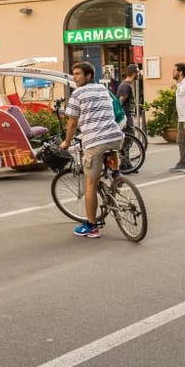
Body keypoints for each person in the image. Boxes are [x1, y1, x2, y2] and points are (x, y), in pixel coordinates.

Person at [59, 61, 127, 239]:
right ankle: (116, 173)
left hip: (95, 141)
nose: (75, 77)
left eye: (78, 74)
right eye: (74, 74)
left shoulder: (77, 94)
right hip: (116, 135)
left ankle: (91, 226)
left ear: (88, 76)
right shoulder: (103, 89)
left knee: (91, 184)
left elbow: (72, 122)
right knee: (110, 147)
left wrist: (66, 142)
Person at [116, 65, 139, 173]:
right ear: (134, 73)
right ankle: (124, 164)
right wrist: (122, 118)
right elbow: (120, 102)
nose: (139, 74)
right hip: (126, 116)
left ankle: (126, 164)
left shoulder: (125, 85)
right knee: (128, 140)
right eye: (137, 72)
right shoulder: (126, 86)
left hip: (127, 115)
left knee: (127, 140)